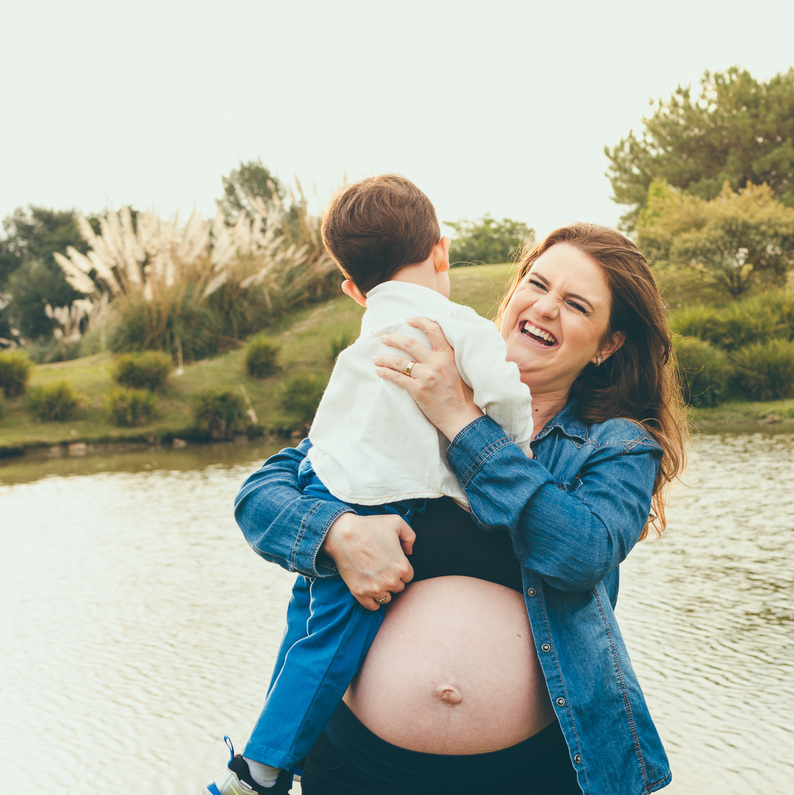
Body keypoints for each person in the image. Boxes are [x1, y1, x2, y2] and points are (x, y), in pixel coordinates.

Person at [232, 222, 687, 794]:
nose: (546, 308)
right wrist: (335, 532)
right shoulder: (407, 390)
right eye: (537, 284)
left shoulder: (616, 445)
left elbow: (581, 552)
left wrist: (462, 422)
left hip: (532, 775)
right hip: (355, 766)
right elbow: (261, 494)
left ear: (608, 344)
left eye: (575, 305)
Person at [207, 174, 534, 795]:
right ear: (440, 250)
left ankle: (265, 749)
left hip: (325, 478)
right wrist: (515, 440)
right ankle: (265, 767)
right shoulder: (457, 326)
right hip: (365, 498)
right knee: (330, 637)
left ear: (353, 290)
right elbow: (506, 397)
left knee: (305, 624)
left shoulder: (368, 334)